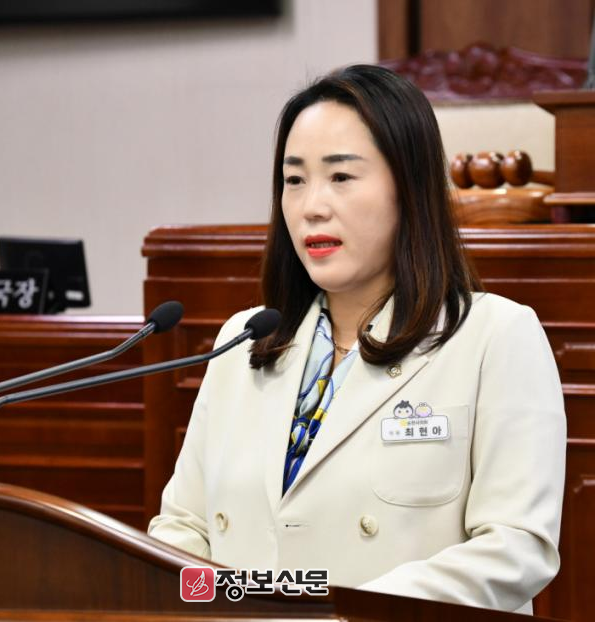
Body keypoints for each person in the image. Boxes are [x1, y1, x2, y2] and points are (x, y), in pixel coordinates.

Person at [147, 64, 566, 614]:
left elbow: (516, 549)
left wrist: (340, 611)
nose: (312, 206)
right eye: (294, 180)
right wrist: (214, 606)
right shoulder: (242, 342)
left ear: (409, 188)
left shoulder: (496, 337)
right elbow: (184, 529)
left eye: (341, 177)